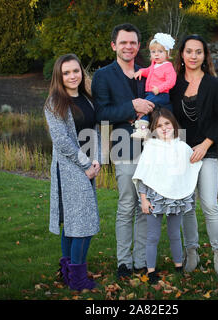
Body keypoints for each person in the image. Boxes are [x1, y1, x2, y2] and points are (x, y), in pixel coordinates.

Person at [170, 35, 218, 277]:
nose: (193, 56)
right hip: (181, 154)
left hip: (206, 152)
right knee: (187, 206)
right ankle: (192, 253)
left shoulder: (213, 84)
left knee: (209, 204)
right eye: (188, 51)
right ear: (182, 54)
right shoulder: (174, 84)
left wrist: (205, 144)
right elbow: (166, 117)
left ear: (204, 56)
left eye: (198, 52)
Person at [91, 23, 155, 279]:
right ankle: (124, 263)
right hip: (124, 147)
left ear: (138, 46)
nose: (128, 47)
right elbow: (101, 114)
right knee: (127, 203)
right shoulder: (103, 76)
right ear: (113, 45)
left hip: (152, 149)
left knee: (145, 207)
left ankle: (141, 261)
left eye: (133, 43)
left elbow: (159, 102)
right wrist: (132, 106)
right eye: (123, 42)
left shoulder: (147, 72)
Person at [44, 53, 101, 291]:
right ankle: (78, 279)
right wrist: (86, 164)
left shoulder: (87, 98)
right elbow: (63, 141)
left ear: (81, 72)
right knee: (83, 224)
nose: (72, 76)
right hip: (70, 170)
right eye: (66, 72)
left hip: (88, 165)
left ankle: (67, 271)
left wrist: (97, 159)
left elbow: (94, 130)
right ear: (59, 76)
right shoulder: (54, 103)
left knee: (72, 222)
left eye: (75, 71)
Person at [132, 108, 202, 284]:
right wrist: (143, 199)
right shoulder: (150, 147)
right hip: (154, 198)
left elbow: (191, 166)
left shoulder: (183, 147)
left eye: (167, 124)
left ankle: (178, 266)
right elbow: (143, 175)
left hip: (176, 198)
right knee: (153, 236)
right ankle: (151, 271)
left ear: (174, 125)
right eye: (159, 125)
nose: (164, 128)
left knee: (174, 234)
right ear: (154, 129)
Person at [131, 33, 177, 140]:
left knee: (144, 107)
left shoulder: (167, 67)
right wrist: (141, 72)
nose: (156, 54)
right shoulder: (154, 65)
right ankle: (143, 130)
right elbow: (148, 72)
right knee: (146, 109)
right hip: (152, 93)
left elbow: (171, 81)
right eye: (153, 52)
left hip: (161, 94)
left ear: (167, 53)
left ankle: (142, 129)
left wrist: (159, 88)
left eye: (160, 52)